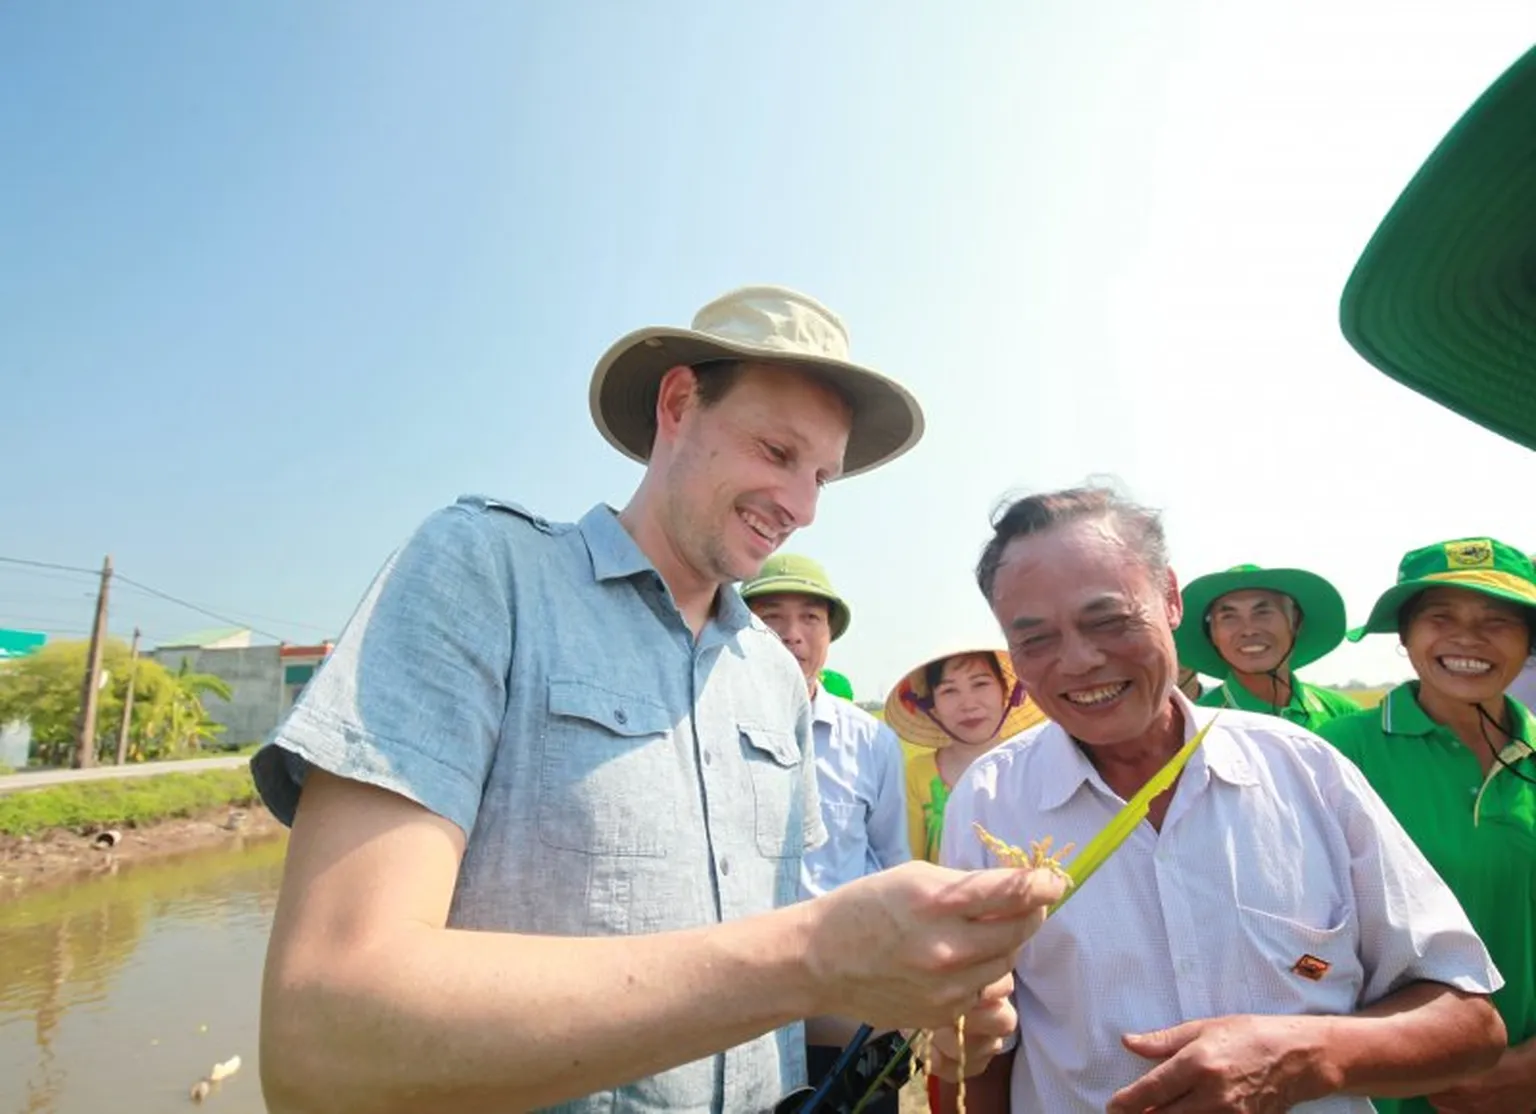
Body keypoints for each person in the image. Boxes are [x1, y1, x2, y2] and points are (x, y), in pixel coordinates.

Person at [248, 286, 1067, 1114]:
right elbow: (324, 1034)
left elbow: (771, 998)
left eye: (822, 475)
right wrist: (813, 952)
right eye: (777, 451)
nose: (804, 506)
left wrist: (913, 990)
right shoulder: (486, 576)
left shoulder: (774, 677)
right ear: (678, 403)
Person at [940, 485, 1507, 1114]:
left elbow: (1469, 1023)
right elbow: (977, 1050)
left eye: (1109, 621)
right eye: (1035, 640)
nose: (1079, 661)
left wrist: (1308, 1057)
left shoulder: (1305, 769)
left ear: (1171, 599)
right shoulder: (990, 803)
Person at [1317, 537, 1536, 1112]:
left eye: (1499, 620)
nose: (1468, 638)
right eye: (1440, 617)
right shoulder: (1334, 756)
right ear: (1407, 635)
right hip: (1382, 1090)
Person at [740, 552, 911, 1114]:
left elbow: (890, 863)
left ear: (830, 633)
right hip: (741, 1011)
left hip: (848, 1005)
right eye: (771, 617)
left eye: (811, 619)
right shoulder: (701, 728)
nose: (792, 636)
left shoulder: (871, 742)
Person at [884, 648, 1045, 865]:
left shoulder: (1035, 764)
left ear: (1006, 692)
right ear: (932, 706)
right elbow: (907, 865)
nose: (968, 704)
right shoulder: (916, 774)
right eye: (949, 691)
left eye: (980, 684)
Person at [1173, 563, 1360, 729]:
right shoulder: (1195, 726)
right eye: (1229, 617)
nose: (1248, 630)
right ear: (1212, 634)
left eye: (1263, 612)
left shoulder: (1342, 715)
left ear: (1295, 622)